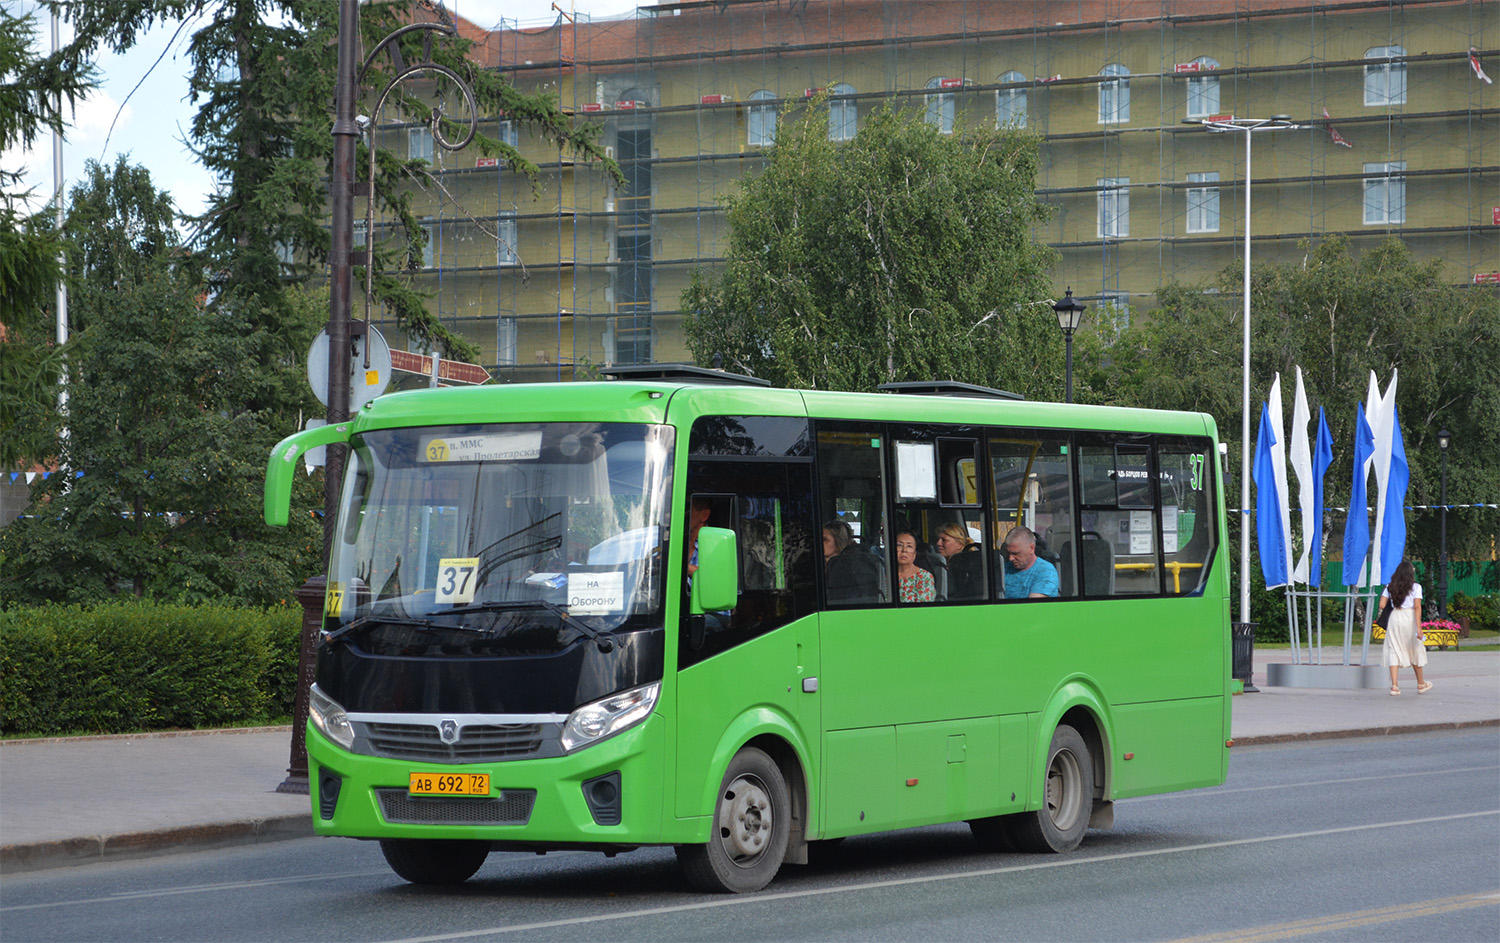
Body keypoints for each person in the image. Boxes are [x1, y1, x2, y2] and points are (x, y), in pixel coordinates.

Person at [1379, 561, 1431, 696]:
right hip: (1410, 618)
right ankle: (1421, 683)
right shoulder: (1416, 587)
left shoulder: (1389, 586)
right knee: (1415, 648)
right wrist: (1419, 628)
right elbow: (1418, 607)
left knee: (1394, 649)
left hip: (1395, 617)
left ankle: (1395, 686)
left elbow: (1382, 605)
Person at [1002, 525, 1059, 599]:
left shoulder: (1045, 571)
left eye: (1015, 553)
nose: (1010, 558)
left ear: (1031, 548)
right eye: (1008, 553)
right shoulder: (1005, 569)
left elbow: (1033, 606)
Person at [936, 522, 983, 599]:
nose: (938, 543)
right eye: (938, 539)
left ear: (960, 544)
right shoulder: (935, 566)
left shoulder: (969, 571)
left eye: (944, 540)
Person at [894, 530, 935, 603]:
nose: (904, 550)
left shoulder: (925, 577)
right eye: (899, 545)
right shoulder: (884, 576)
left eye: (909, 546)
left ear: (915, 553)